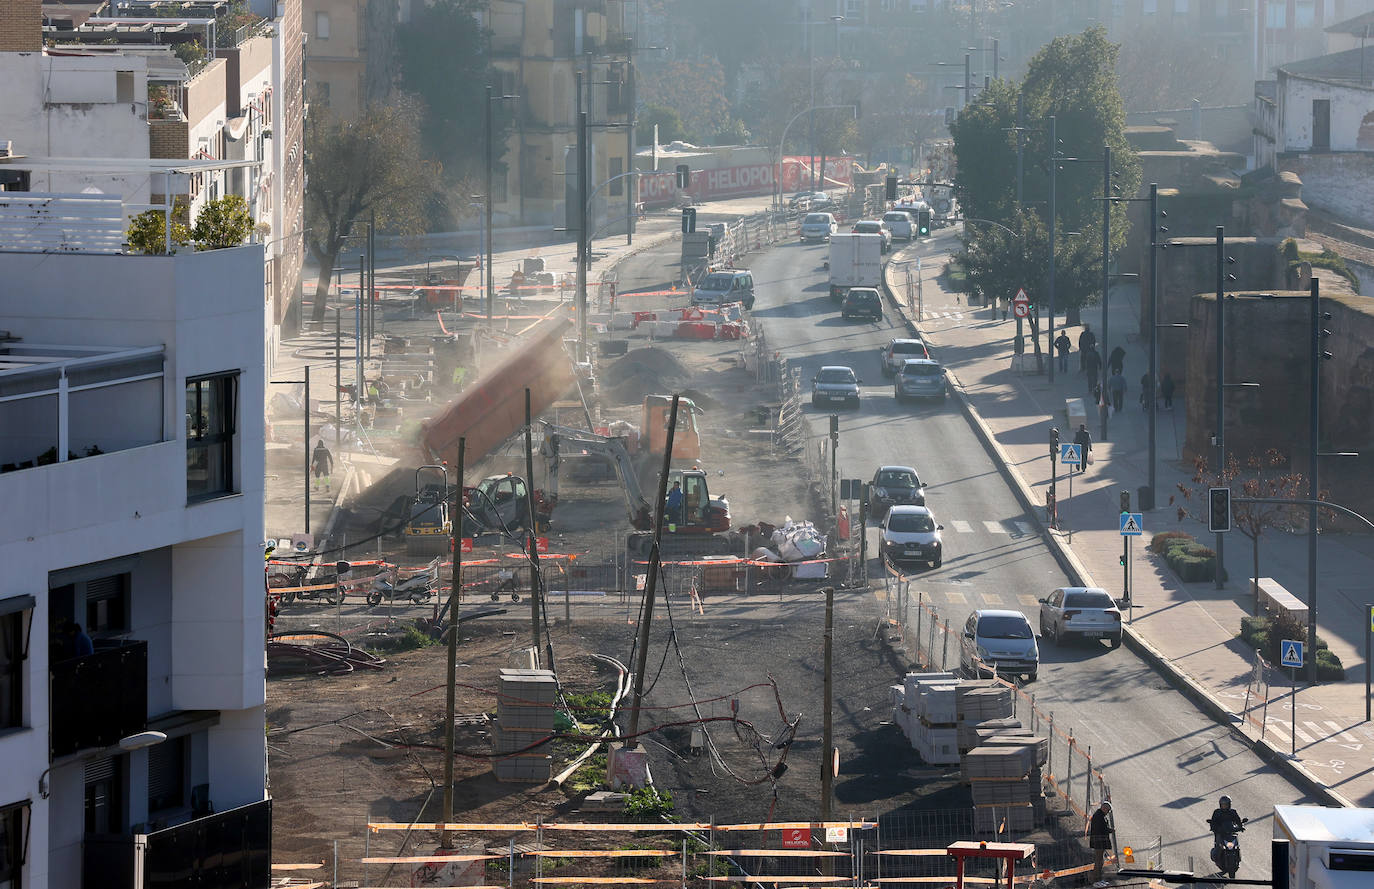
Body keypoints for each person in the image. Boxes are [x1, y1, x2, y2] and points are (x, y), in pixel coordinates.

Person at [1088, 800, 1115, 883]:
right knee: (1098, 861)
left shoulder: (1099, 815)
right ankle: (1095, 879)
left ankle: (1097, 878)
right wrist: (1111, 830)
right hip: (1099, 842)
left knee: (1100, 861)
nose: (1108, 812)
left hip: (1100, 842)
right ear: (1104, 808)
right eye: (1108, 810)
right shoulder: (1099, 816)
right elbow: (1102, 829)